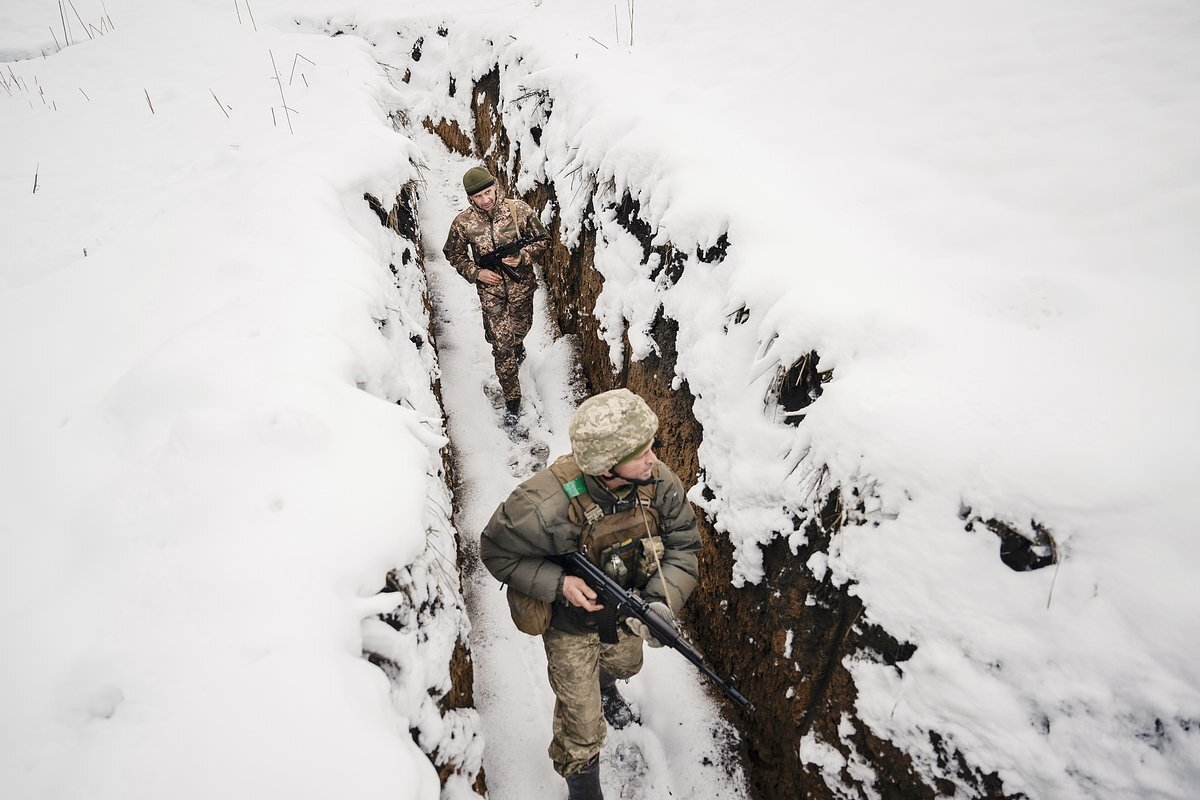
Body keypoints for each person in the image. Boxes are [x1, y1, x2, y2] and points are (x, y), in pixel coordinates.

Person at [480, 388, 701, 800]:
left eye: (652, 447)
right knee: (581, 727)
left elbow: (685, 543)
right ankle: (584, 788)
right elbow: (495, 551)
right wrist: (559, 584)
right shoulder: (539, 506)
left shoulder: (658, 483)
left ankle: (605, 686)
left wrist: (658, 601)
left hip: (626, 612)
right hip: (569, 627)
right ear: (606, 467)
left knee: (626, 664)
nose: (654, 459)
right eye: (641, 453)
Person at [442, 166, 550, 422]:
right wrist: (475, 273)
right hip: (490, 292)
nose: (485, 200)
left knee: (520, 330)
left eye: (488, 193)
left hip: (521, 287)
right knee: (502, 347)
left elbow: (543, 239)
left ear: (496, 187)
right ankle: (513, 398)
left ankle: (518, 343)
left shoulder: (519, 211)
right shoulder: (463, 223)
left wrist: (523, 257)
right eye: (478, 197)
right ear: (470, 198)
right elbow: (452, 254)